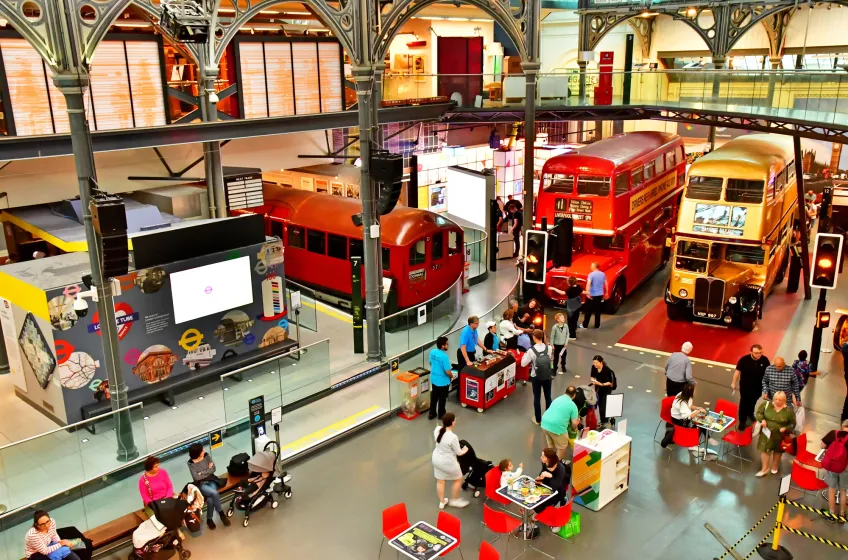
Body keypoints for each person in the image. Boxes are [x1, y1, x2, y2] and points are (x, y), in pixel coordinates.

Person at [187, 443, 230, 529]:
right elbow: (196, 477)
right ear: (197, 453)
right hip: (201, 484)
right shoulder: (190, 463)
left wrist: (201, 473)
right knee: (214, 493)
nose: (204, 451)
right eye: (202, 450)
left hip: (212, 480)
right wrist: (207, 470)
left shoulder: (206, 456)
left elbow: (213, 469)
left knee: (210, 500)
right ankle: (221, 514)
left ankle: (209, 519)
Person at [432, 413, 469, 509]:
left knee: (440, 480)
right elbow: (458, 452)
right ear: (452, 422)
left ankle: (442, 502)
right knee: (458, 478)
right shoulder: (453, 437)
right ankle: (455, 500)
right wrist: (465, 450)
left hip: (436, 459)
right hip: (447, 462)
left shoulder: (437, 430)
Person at [754, 391, 796, 477]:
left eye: (780, 400)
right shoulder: (766, 404)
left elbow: (792, 424)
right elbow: (758, 413)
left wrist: (786, 428)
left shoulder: (788, 411)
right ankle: (764, 468)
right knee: (765, 450)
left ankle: (774, 466)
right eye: (776, 399)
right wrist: (762, 420)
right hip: (766, 434)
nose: (777, 401)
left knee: (777, 451)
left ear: (784, 400)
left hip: (779, 436)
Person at [731, 344, 770, 430]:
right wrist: (733, 383)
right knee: (744, 403)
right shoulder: (744, 360)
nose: (759, 355)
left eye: (760, 352)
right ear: (751, 352)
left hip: (758, 388)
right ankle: (742, 421)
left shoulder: (765, 360)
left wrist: (767, 388)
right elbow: (737, 372)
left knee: (753, 402)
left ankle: (750, 413)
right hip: (746, 387)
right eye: (756, 353)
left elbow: (768, 374)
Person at [521, 329, 554, 425]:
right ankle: (548, 418)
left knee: (537, 397)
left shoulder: (531, 350)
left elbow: (523, 364)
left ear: (534, 337)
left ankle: (538, 419)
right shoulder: (549, 348)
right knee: (548, 396)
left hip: (536, 376)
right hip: (547, 375)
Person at [660, 383, 705, 449]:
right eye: (694, 389)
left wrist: (697, 408)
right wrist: (699, 411)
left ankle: (708, 437)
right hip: (679, 422)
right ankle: (692, 445)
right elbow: (687, 417)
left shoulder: (682, 394)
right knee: (698, 425)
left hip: (677, 417)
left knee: (700, 422)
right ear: (691, 391)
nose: (695, 390)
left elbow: (689, 406)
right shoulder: (683, 403)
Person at [541, 386, 580, 460]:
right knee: (561, 448)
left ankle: (548, 459)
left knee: (550, 444)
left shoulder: (557, 399)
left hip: (545, 424)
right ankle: (556, 464)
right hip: (557, 428)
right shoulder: (573, 406)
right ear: (574, 395)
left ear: (565, 392)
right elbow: (574, 423)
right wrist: (574, 429)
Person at [821, 419, 848, 523]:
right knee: (843, 491)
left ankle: (831, 514)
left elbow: (822, 446)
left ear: (842, 426)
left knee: (831, 490)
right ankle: (842, 515)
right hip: (845, 468)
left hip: (832, 465)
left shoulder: (833, 433)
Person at [534, 448, 569, 522]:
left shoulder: (560, 469)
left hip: (557, 492)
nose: (541, 457)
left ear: (549, 459)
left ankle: (547, 513)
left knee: (539, 505)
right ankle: (541, 511)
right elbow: (542, 472)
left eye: (543, 457)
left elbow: (555, 486)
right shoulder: (544, 463)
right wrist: (539, 479)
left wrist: (550, 476)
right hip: (545, 487)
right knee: (534, 501)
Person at [429, 336, 453, 420]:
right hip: (443, 381)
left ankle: (432, 413)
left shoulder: (432, 352)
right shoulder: (444, 357)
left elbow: (430, 363)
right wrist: (452, 376)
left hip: (434, 379)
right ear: (442, 346)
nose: (448, 345)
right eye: (446, 344)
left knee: (434, 397)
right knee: (442, 399)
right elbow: (447, 371)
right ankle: (441, 414)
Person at [590, 355, 616, 425]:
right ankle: (602, 420)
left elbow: (610, 382)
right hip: (598, 389)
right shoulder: (594, 367)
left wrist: (602, 384)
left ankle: (605, 420)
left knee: (603, 405)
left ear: (601, 362)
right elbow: (592, 376)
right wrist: (594, 380)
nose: (595, 364)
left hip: (606, 389)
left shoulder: (607, 370)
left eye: (596, 363)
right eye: (594, 362)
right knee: (600, 404)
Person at [582, 262, 607, 329]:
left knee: (588, 311)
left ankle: (585, 325)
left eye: (591, 266)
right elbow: (606, 283)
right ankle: (597, 325)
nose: (590, 267)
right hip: (600, 295)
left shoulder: (591, 274)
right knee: (598, 311)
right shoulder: (603, 274)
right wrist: (606, 292)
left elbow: (588, 284)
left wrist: (587, 293)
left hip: (592, 295)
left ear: (595, 267)